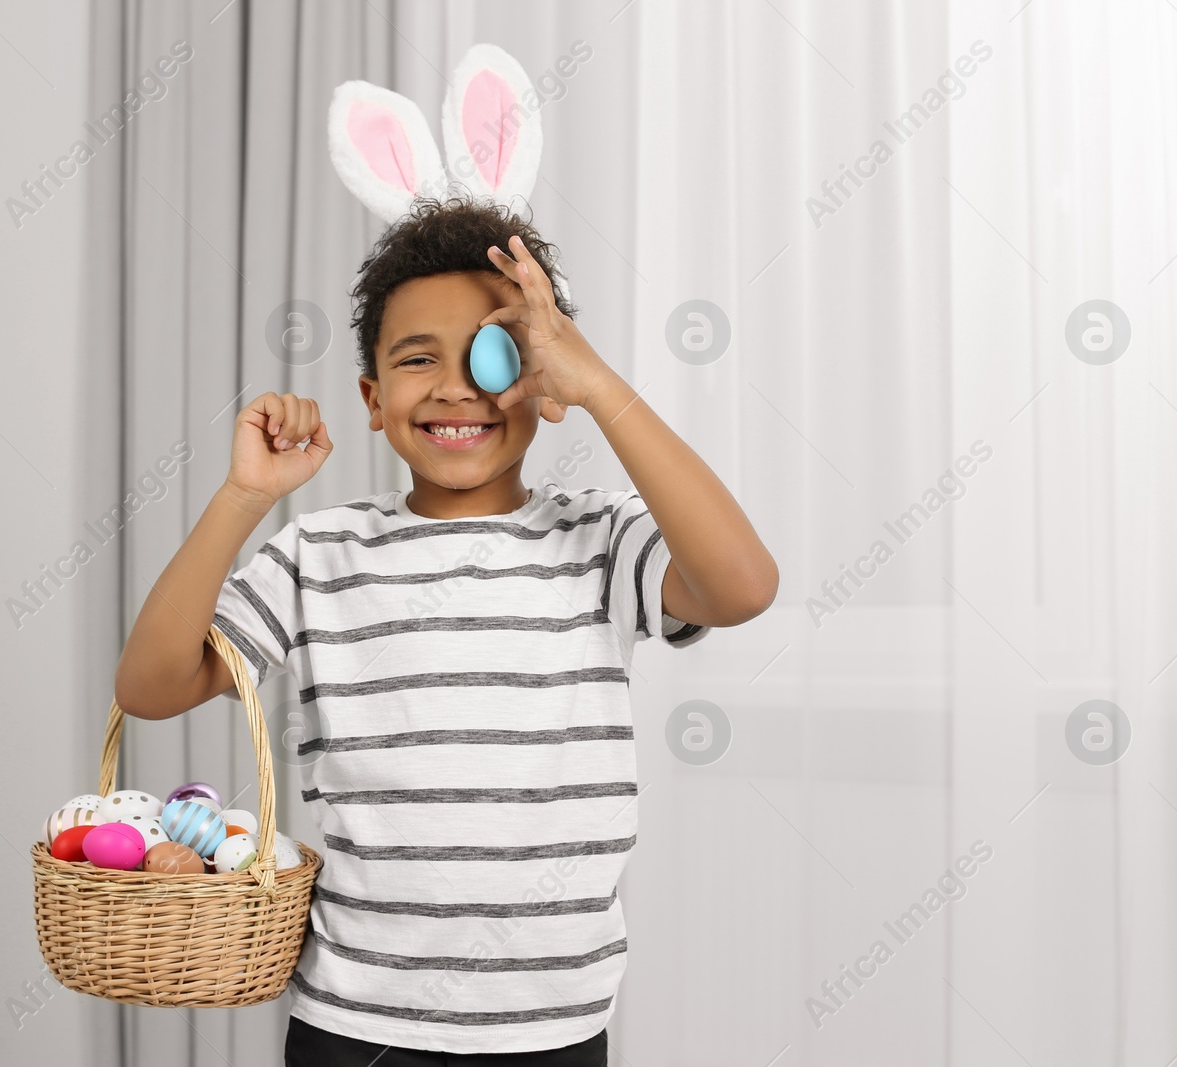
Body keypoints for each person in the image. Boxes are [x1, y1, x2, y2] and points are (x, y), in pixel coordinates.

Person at [114, 195, 778, 1064]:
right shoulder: (319, 551)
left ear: (542, 384)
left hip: (553, 1030)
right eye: (418, 358)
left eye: (494, 356)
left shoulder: (601, 539)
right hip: (358, 1026)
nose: (457, 386)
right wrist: (246, 496)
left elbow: (743, 586)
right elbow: (151, 686)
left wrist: (601, 385)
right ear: (373, 397)